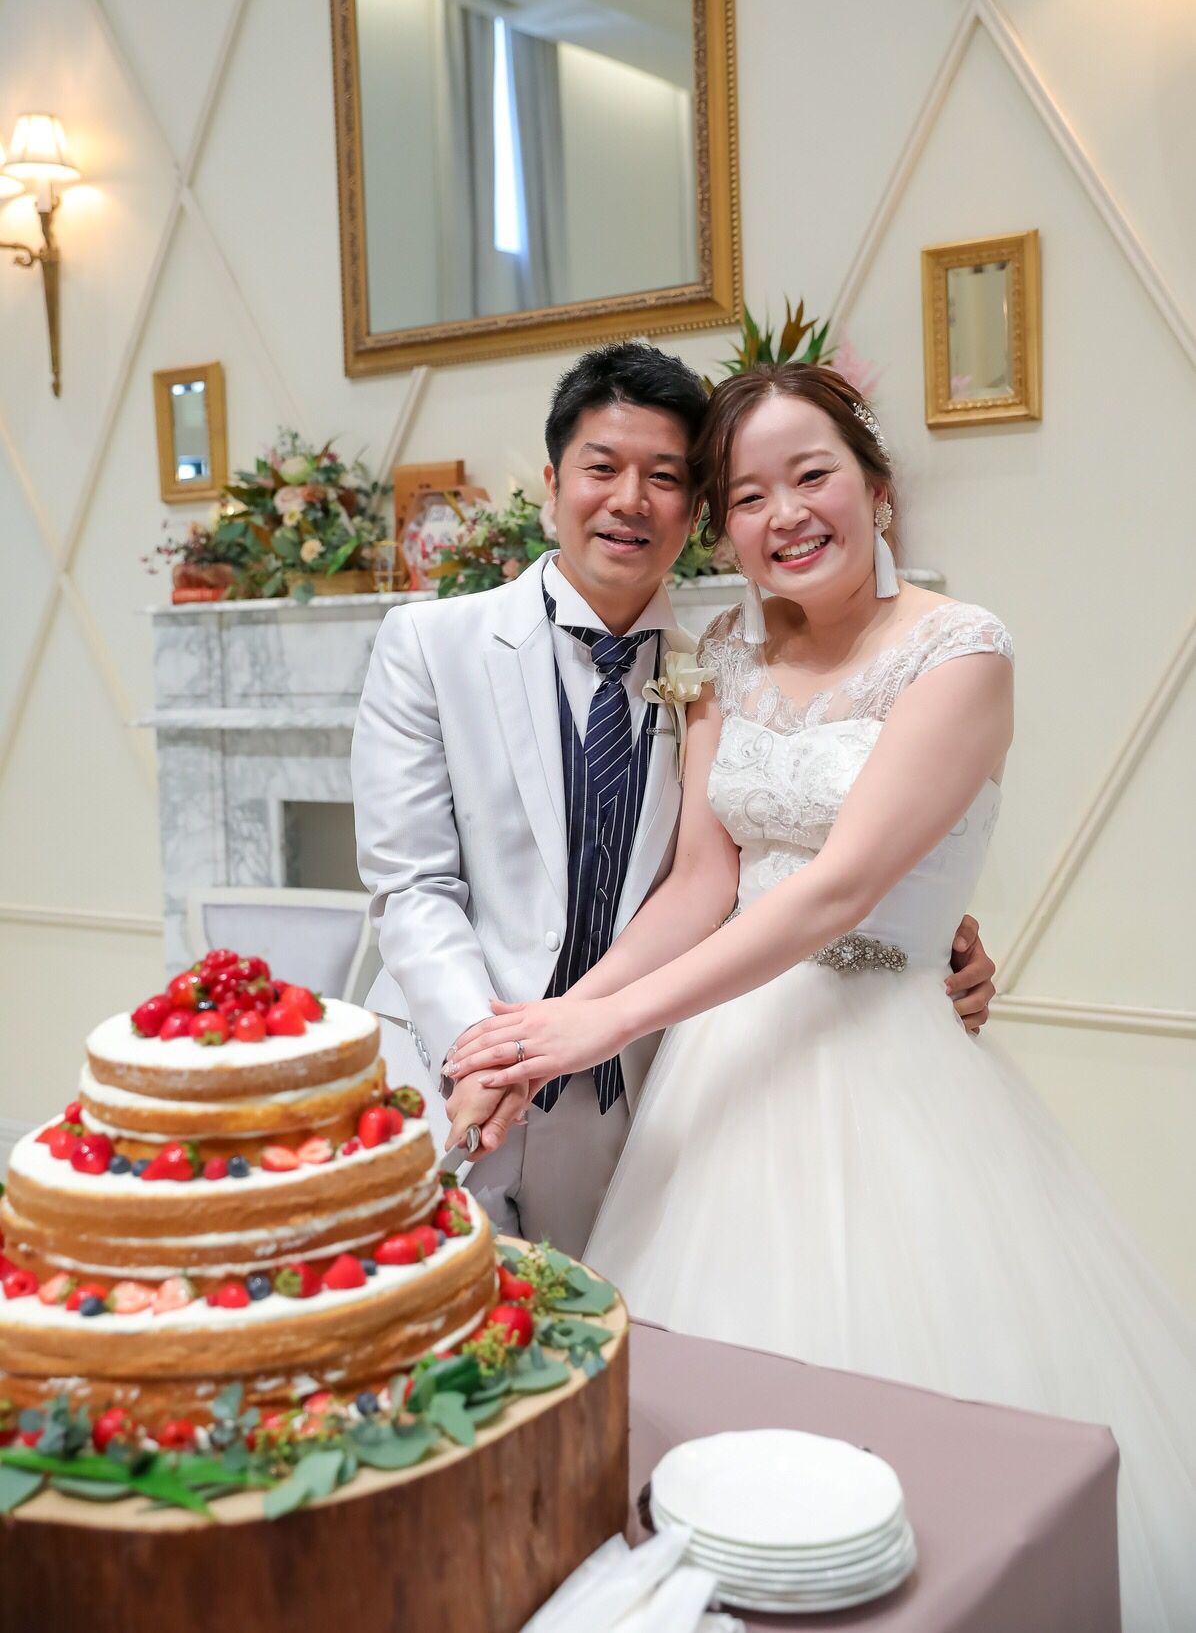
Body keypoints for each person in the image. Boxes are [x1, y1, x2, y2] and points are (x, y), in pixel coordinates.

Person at [448, 362, 1196, 1630]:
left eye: (811, 476)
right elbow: (700, 884)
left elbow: (838, 890)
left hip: (887, 1056)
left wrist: (601, 1022)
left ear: (875, 487)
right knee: (689, 1423)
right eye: (746, 495)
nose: (783, 514)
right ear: (720, 528)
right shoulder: (727, 652)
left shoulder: (959, 649)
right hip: (722, 1070)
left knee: (915, 1443)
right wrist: (553, 1019)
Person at [353, 343, 996, 1259]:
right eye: (602, 468)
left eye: (663, 477)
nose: (630, 499)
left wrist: (923, 927)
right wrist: (491, 1049)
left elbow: (772, 869)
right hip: (446, 1073)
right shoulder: (430, 642)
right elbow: (412, 885)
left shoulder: (710, 663)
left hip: (638, 1105)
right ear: (552, 483)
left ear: (694, 514)